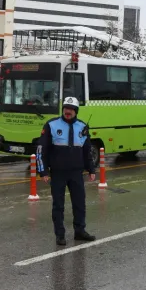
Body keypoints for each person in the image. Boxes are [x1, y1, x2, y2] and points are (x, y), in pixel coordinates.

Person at [37, 97, 96, 246]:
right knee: (58, 205)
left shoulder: (82, 126)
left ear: (76, 111)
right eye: (65, 108)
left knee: (79, 203)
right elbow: (41, 149)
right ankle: (60, 234)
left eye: (70, 109)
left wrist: (91, 169)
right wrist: (43, 171)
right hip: (58, 173)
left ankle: (80, 231)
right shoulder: (51, 125)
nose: (67, 111)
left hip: (76, 172)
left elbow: (87, 150)